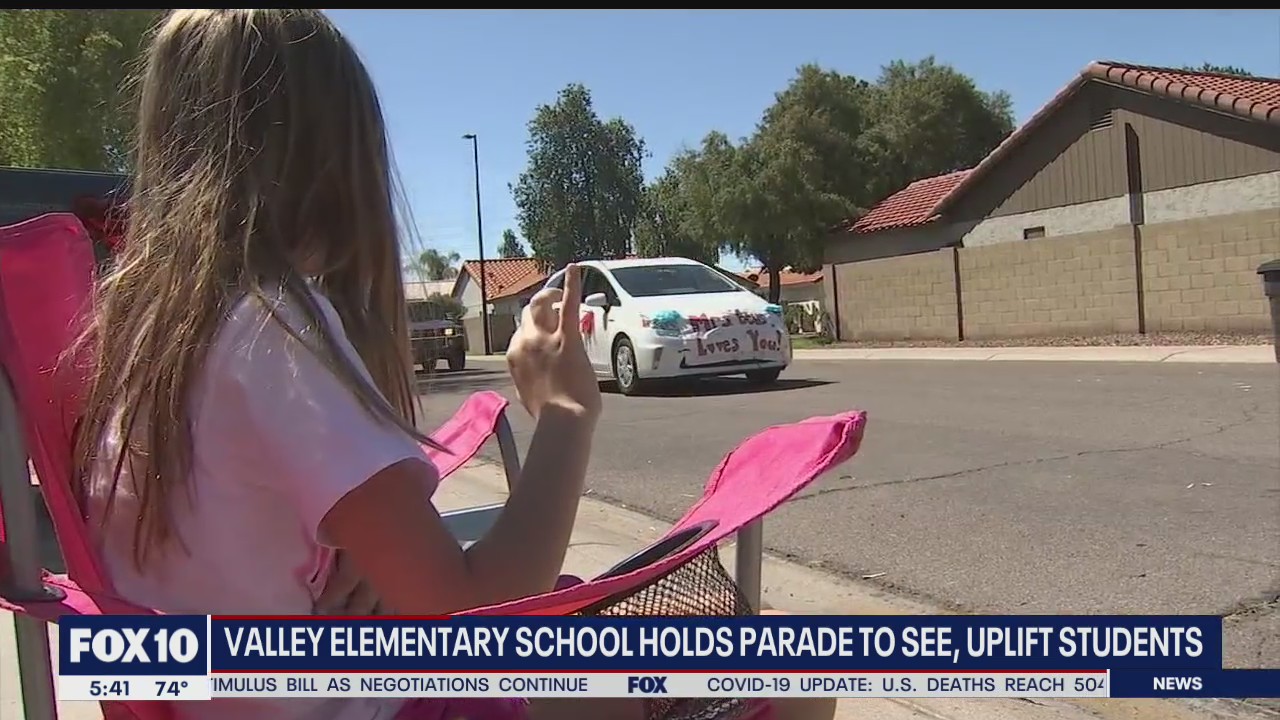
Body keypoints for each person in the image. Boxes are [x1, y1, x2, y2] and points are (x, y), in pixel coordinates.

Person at [74, 9, 835, 720]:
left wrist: (377, 563)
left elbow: (246, 547)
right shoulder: (277, 326)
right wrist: (567, 411)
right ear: (339, 168)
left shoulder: (139, 333)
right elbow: (479, 611)